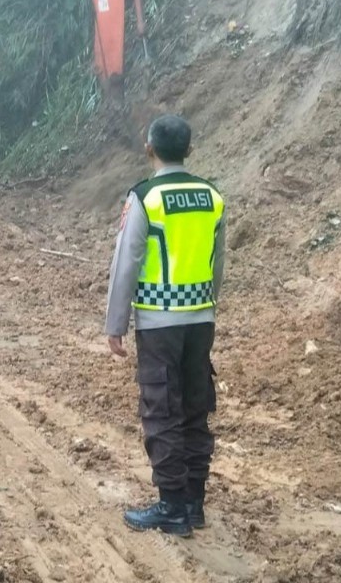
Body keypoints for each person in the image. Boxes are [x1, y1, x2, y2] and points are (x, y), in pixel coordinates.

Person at [105, 114, 226, 537]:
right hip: (201, 318)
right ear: (189, 151)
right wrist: (208, 307)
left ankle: (171, 506)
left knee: (162, 410)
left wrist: (115, 323)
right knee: (195, 407)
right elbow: (217, 264)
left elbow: (126, 265)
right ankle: (193, 503)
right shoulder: (213, 196)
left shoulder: (145, 198)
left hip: (158, 322)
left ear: (149, 148)